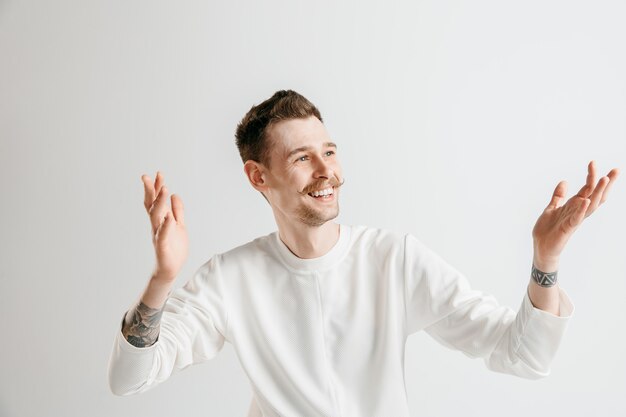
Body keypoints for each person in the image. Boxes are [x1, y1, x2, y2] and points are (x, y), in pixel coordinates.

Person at [108, 89, 620, 417]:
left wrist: (546, 261)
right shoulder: (230, 277)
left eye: (329, 151)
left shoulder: (393, 259)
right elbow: (128, 380)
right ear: (258, 177)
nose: (326, 171)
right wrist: (163, 278)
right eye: (302, 158)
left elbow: (525, 358)